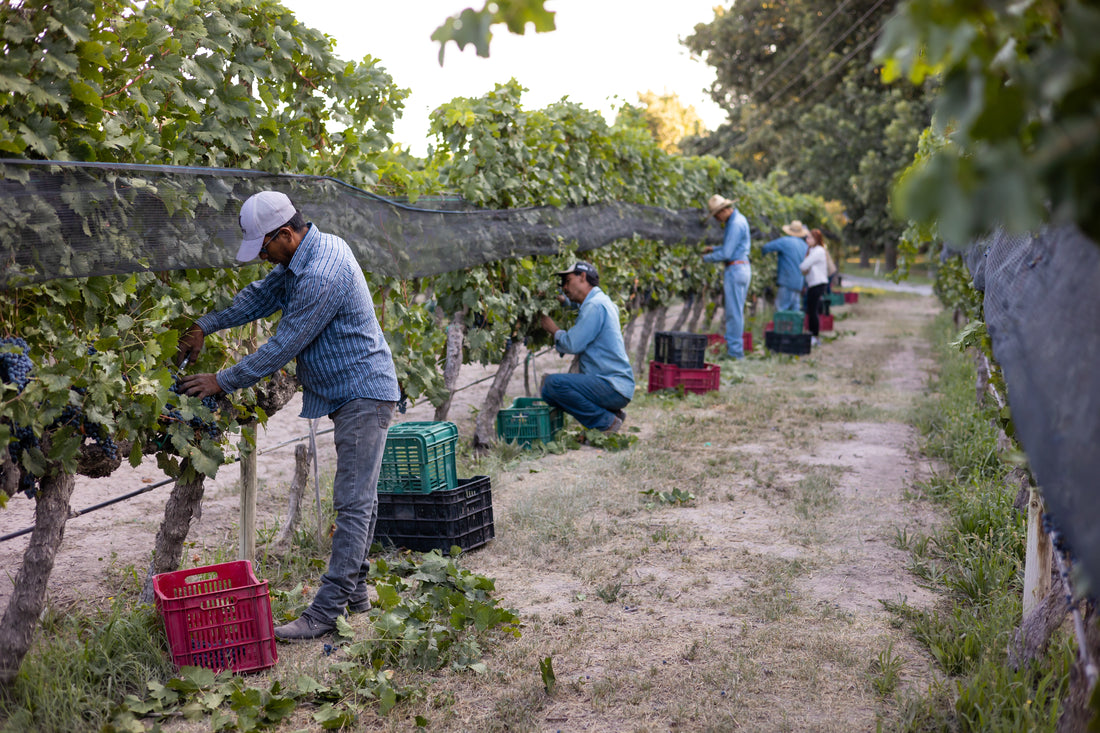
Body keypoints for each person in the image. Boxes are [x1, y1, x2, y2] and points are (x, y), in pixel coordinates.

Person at [176, 190, 400, 641]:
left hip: (363, 393)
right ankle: (356, 594)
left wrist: (222, 380)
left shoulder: (320, 273)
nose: (261, 258)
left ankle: (326, 613)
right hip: (352, 392)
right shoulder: (305, 253)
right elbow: (259, 297)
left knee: (353, 505)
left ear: (285, 234)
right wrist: (207, 324)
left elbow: (283, 346)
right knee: (362, 499)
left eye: (264, 248)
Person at [538, 261, 635, 433]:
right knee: (554, 386)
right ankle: (613, 413)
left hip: (611, 386)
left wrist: (552, 329)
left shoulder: (594, 306)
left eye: (567, 281)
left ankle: (606, 421)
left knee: (552, 385)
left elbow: (572, 344)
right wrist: (563, 300)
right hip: (618, 386)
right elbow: (580, 305)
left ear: (583, 277)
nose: (565, 287)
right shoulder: (602, 301)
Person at [701, 194, 752, 359]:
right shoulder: (738, 220)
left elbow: (727, 253)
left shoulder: (735, 224)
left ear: (724, 211)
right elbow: (731, 247)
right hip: (742, 268)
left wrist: (703, 259)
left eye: (717, 215)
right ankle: (735, 351)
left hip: (736, 270)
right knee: (736, 311)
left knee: (733, 313)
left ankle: (735, 354)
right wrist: (714, 249)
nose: (717, 219)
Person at [761, 221, 810, 312]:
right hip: (799, 282)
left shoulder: (785, 241)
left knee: (781, 309)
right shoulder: (804, 246)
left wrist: (762, 257)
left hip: (786, 281)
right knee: (795, 311)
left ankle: (781, 327)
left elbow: (766, 247)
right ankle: (795, 326)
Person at [800, 228, 830, 347]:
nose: (807, 240)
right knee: (811, 310)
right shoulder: (812, 250)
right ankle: (813, 334)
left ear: (816, 239)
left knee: (813, 311)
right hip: (813, 283)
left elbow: (804, 266)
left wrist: (804, 268)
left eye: (810, 238)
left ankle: (815, 336)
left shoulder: (818, 251)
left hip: (817, 283)